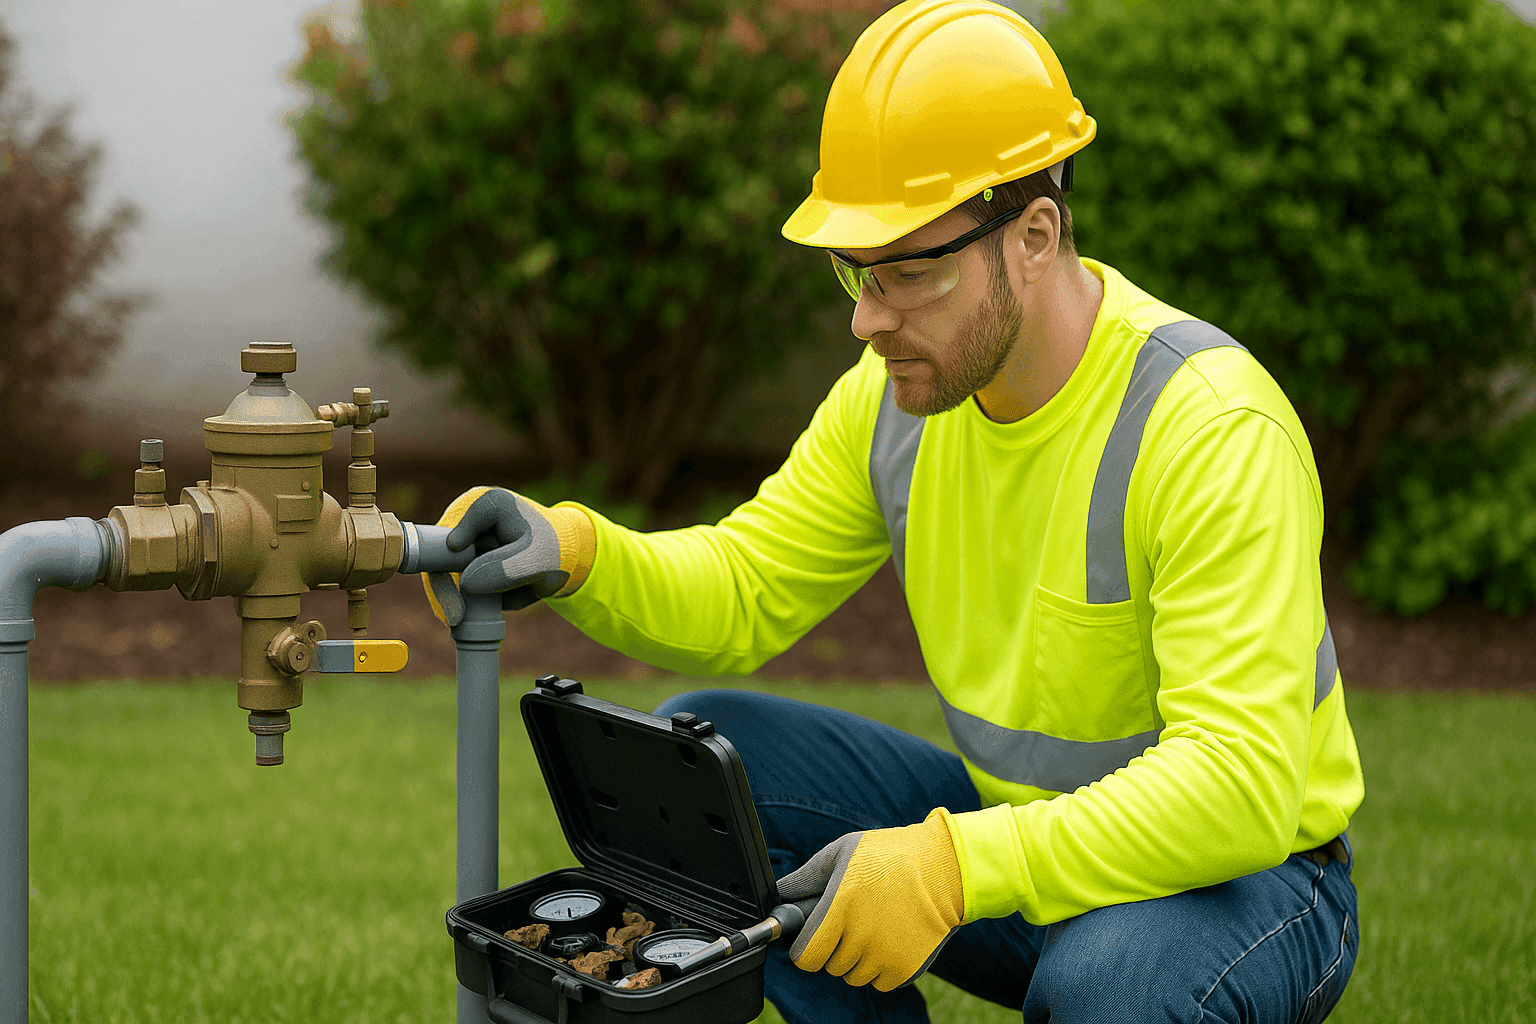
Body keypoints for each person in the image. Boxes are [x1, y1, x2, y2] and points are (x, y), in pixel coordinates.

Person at [424, 1, 1365, 1020]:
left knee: (1113, 988)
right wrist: (573, 547)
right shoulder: (895, 407)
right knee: (717, 766)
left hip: (1247, 881)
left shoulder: (1209, 426)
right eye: (856, 271)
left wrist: (953, 868)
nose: (866, 318)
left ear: (1035, 235)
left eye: (910, 272)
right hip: (1023, 852)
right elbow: (743, 587)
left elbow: (1240, 786)